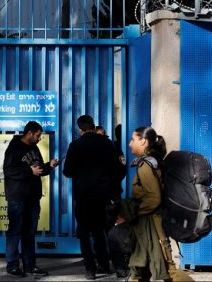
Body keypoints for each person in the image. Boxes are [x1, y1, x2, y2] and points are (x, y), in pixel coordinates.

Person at [63, 115, 126, 280]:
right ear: (93, 126)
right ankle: (118, 267)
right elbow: (120, 170)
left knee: (86, 233)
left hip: (85, 198)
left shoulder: (75, 145)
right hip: (106, 197)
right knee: (110, 232)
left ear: (80, 129)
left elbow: (67, 171)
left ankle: (90, 269)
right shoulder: (107, 144)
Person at [119, 126, 183, 281]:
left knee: (169, 270)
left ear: (143, 141)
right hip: (145, 227)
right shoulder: (150, 162)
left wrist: (131, 214)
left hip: (151, 226)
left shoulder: (145, 166)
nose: (129, 144)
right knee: (140, 269)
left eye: (133, 140)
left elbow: (154, 198)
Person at [3, 121, 59, 278]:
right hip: (17, 198)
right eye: (37, 135)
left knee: (30, 232)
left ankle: (30, 265)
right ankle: (12, 265)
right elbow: (8, 171)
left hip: (32, 198)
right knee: (14, 231)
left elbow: (38, 169)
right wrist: (29, 171)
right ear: (29, 133)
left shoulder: (34, 148)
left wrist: (49, 165)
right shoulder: (14, 148)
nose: (39, 138)